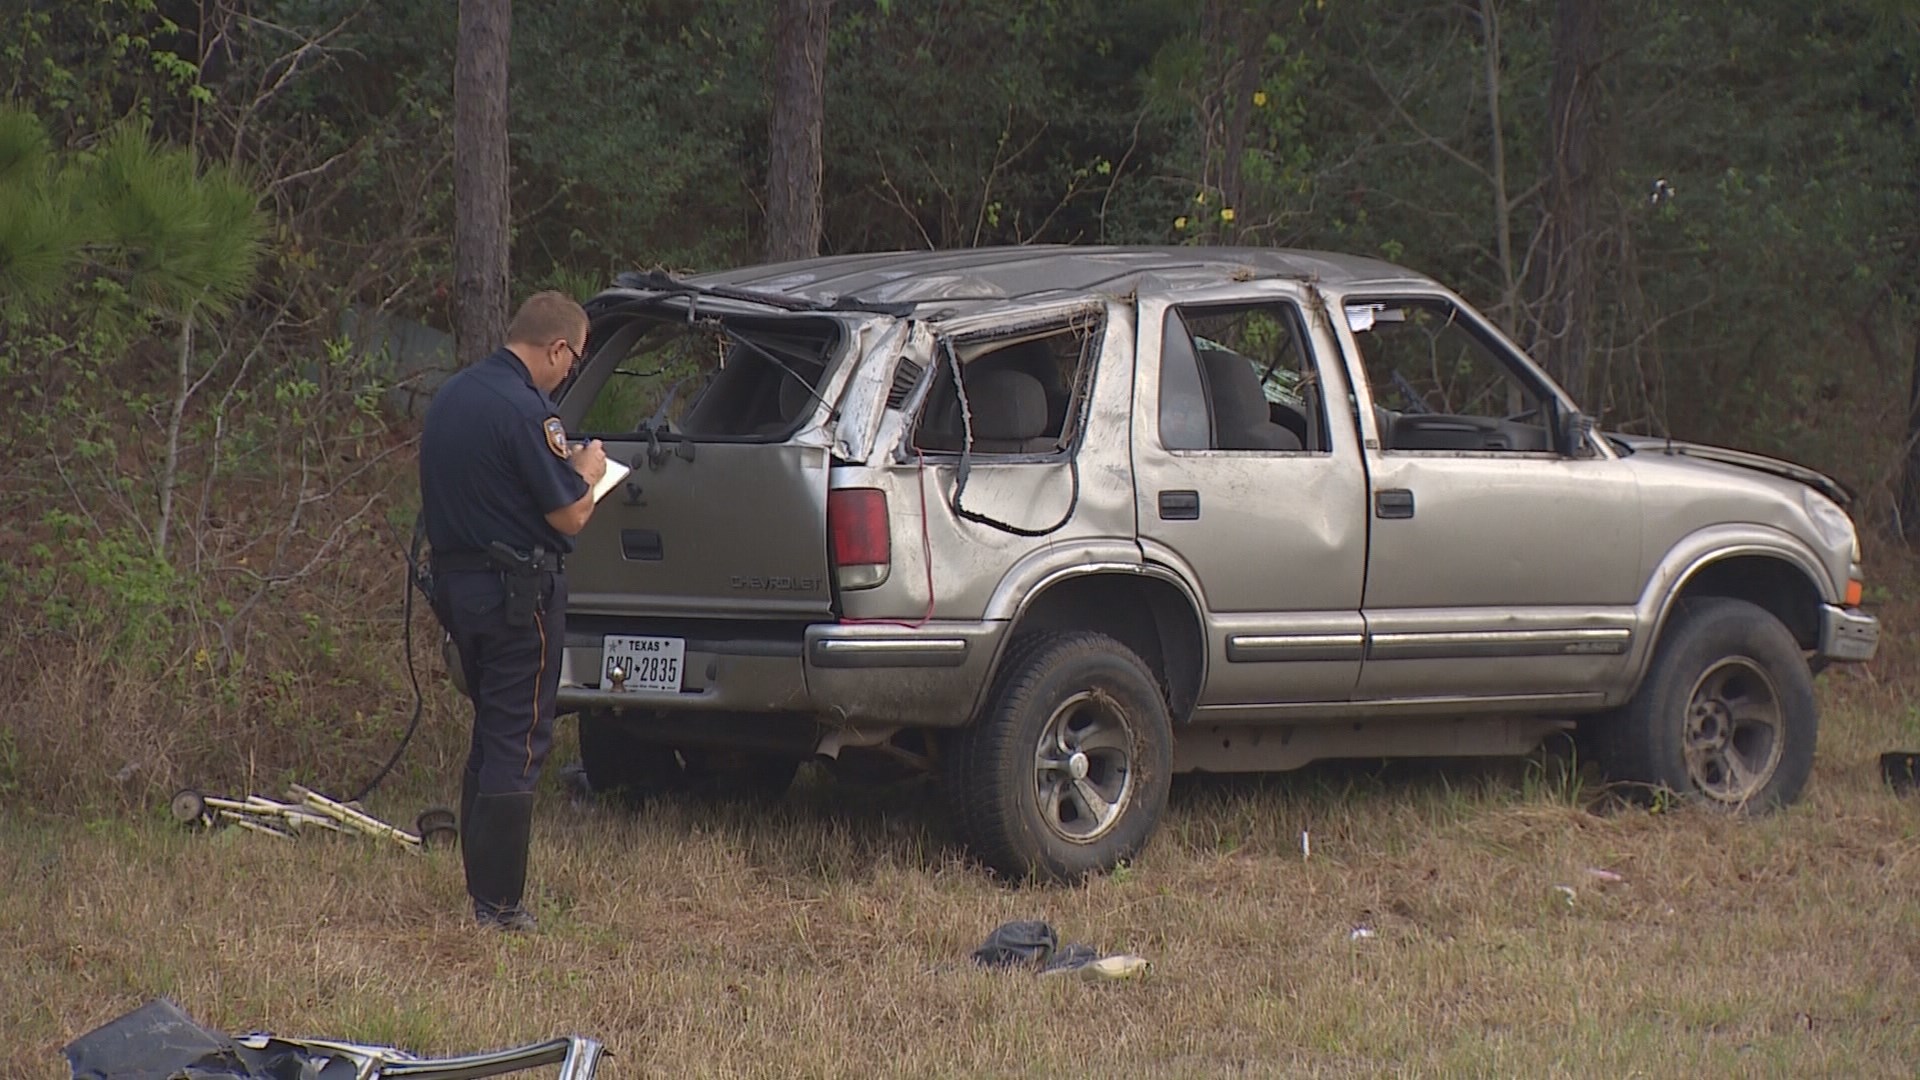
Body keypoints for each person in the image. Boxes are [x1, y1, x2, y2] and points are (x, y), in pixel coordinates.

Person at [418, 291, 607, 931]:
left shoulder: (454, 397)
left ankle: (482, 889)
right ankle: (498, 906)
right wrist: (587, 470)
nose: (569, 374)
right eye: (574, 361)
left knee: (491, 732)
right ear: (557, 348)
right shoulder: (529, 412)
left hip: (458, 591)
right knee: (518, 737)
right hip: (517, 596)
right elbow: (569, 513)